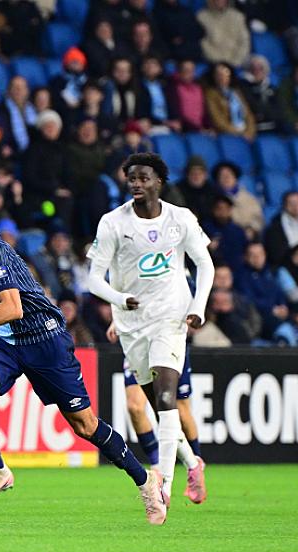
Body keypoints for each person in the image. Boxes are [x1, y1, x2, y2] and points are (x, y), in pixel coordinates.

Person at [0, 183, 166, 523]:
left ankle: (145, 481)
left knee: (85, 426)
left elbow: (13, 308)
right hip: (5, 339)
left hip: (43, 337)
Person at [87, 153, 214, 519]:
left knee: (166, 395)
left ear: (159, 180)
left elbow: (204, 264)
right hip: (131, 324)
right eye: (132, 179)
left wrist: (199, 307)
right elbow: (94, 278)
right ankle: (193, 463)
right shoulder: (113, 223)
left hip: (171, 317)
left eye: (143, 178)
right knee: (154, 401)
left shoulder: (181, 218)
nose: (136, 184)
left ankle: (165, 486)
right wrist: (118, 299)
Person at [107, 323, 206, 502]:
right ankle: (158, 468)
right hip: (137, 339)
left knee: (178, 410)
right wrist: (117, 319)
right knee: (135, 407)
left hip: (168, 338)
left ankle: (195, 462)